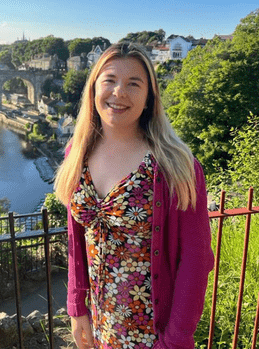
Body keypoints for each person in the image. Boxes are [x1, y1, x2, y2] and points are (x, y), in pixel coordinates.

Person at [53, 43, 214, 349]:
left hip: (154, 335)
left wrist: (175, 340)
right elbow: (76, 236)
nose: (119, 92)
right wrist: (77, 307)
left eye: (133, 84)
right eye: (110, 80)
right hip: (101, 325)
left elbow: (196, 259)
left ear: (149, 97)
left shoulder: (175, 165)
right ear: (94, 89)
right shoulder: (77, 152)